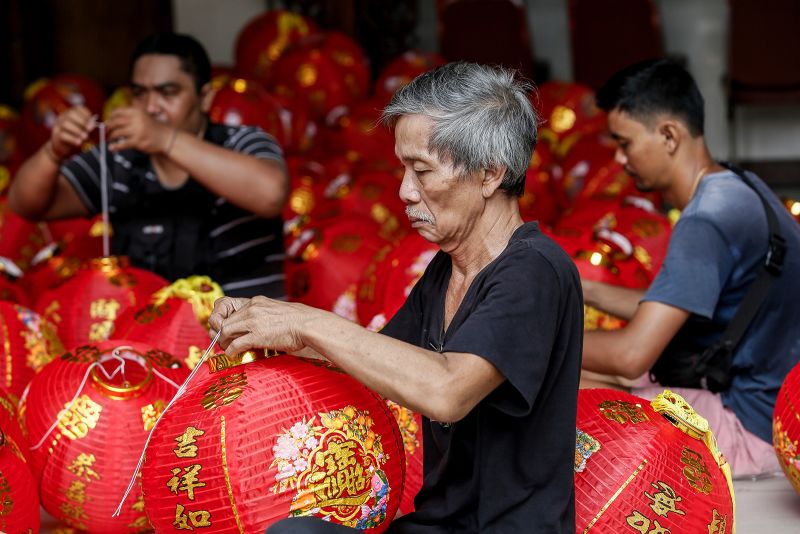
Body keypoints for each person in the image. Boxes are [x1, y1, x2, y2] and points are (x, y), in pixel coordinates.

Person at [209, 62, 583, 532]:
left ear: (490, 174)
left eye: (422, 171)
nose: (405, 191)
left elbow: (446, 391)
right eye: (403, 169)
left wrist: (307, 321)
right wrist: (264, 322)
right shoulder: (448, 269)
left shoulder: (534, 271)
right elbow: (373, 360)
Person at [580, 59, 800, 476]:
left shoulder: (705, 220)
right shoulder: (740, 185)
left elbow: (630, 355)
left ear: (668, 135)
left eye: (625, 143)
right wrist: (584, 288)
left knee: (556, 378)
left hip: (748, 429)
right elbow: (668, 304)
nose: (619, 158)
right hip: (773, 409)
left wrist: (532, 339)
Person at [9, 32, 289, 298]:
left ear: (206, 98)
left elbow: (270, 194)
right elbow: (28, 205)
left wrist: (164, 139)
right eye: (140, 93)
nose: (151, 107)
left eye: (168, 93)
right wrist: (53, 152)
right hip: (147, 339)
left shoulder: (244, 142)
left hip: (244, 338)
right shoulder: (120, 157)